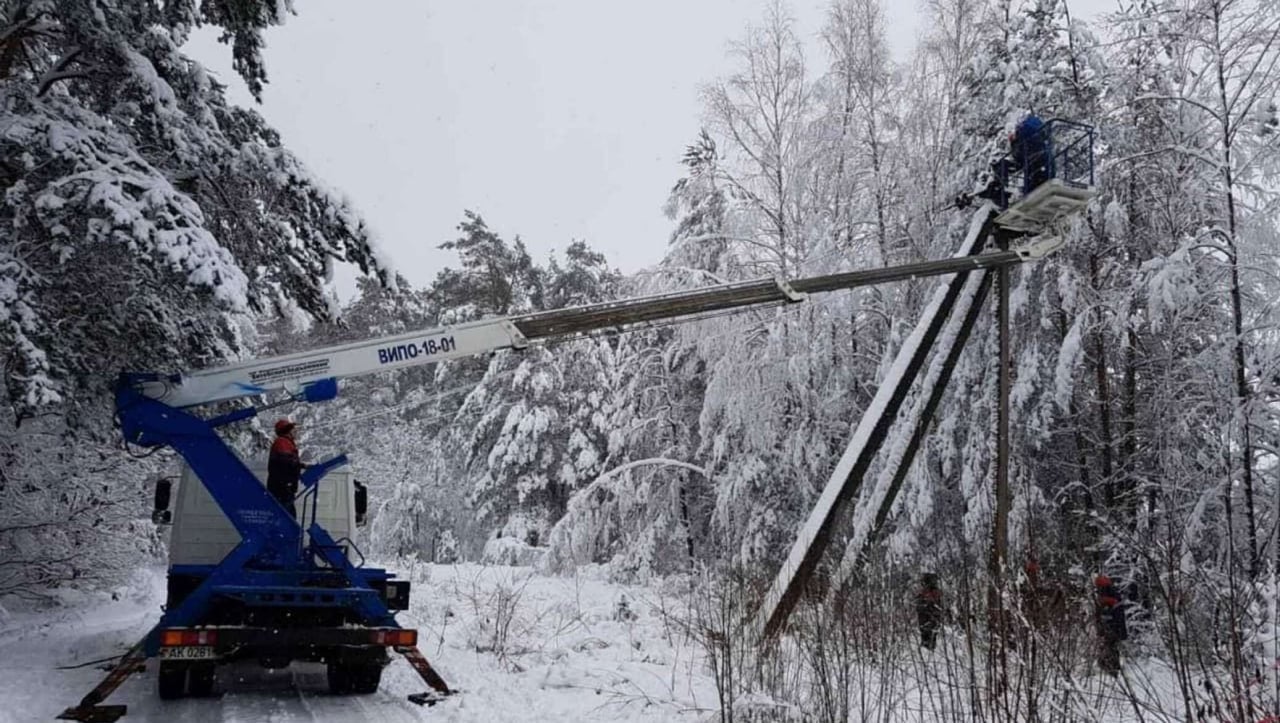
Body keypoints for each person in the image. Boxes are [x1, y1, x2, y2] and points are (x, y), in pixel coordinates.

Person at [267, 418, 306, 518]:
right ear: (287, 431)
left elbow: (287, 461)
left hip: (283, 486)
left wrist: (302, 465)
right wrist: (298, 465)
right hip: (282, 487)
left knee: (287, 515)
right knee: (287, 516)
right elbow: (285, 461)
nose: (296, 432)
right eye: (293, 430)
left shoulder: (286, 442)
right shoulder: (282, 442)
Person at [1094, 574, 1128, 675]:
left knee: (1110, 646)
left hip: (1112, 627)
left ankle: (1111, 668)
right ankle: (1108, 666)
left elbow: (1112, 613)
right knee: (1109, 646)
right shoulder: (1112, 594)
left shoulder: (1109, 596)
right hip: (1113, 626)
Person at [1010, 114, 1052, 194]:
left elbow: (1018, 156)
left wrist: (1014, 142)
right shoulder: (1035, 128)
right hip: (1043, 160)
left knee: (1033, 180)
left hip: (1035, 162)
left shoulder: (1024, 131)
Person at [916, 572, 943, 650]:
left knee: (931, 636)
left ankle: (929, 647)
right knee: (928, 636)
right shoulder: (924, 593)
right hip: (926, 621)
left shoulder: (934, 593)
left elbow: (939, 606)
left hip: (930, 620)